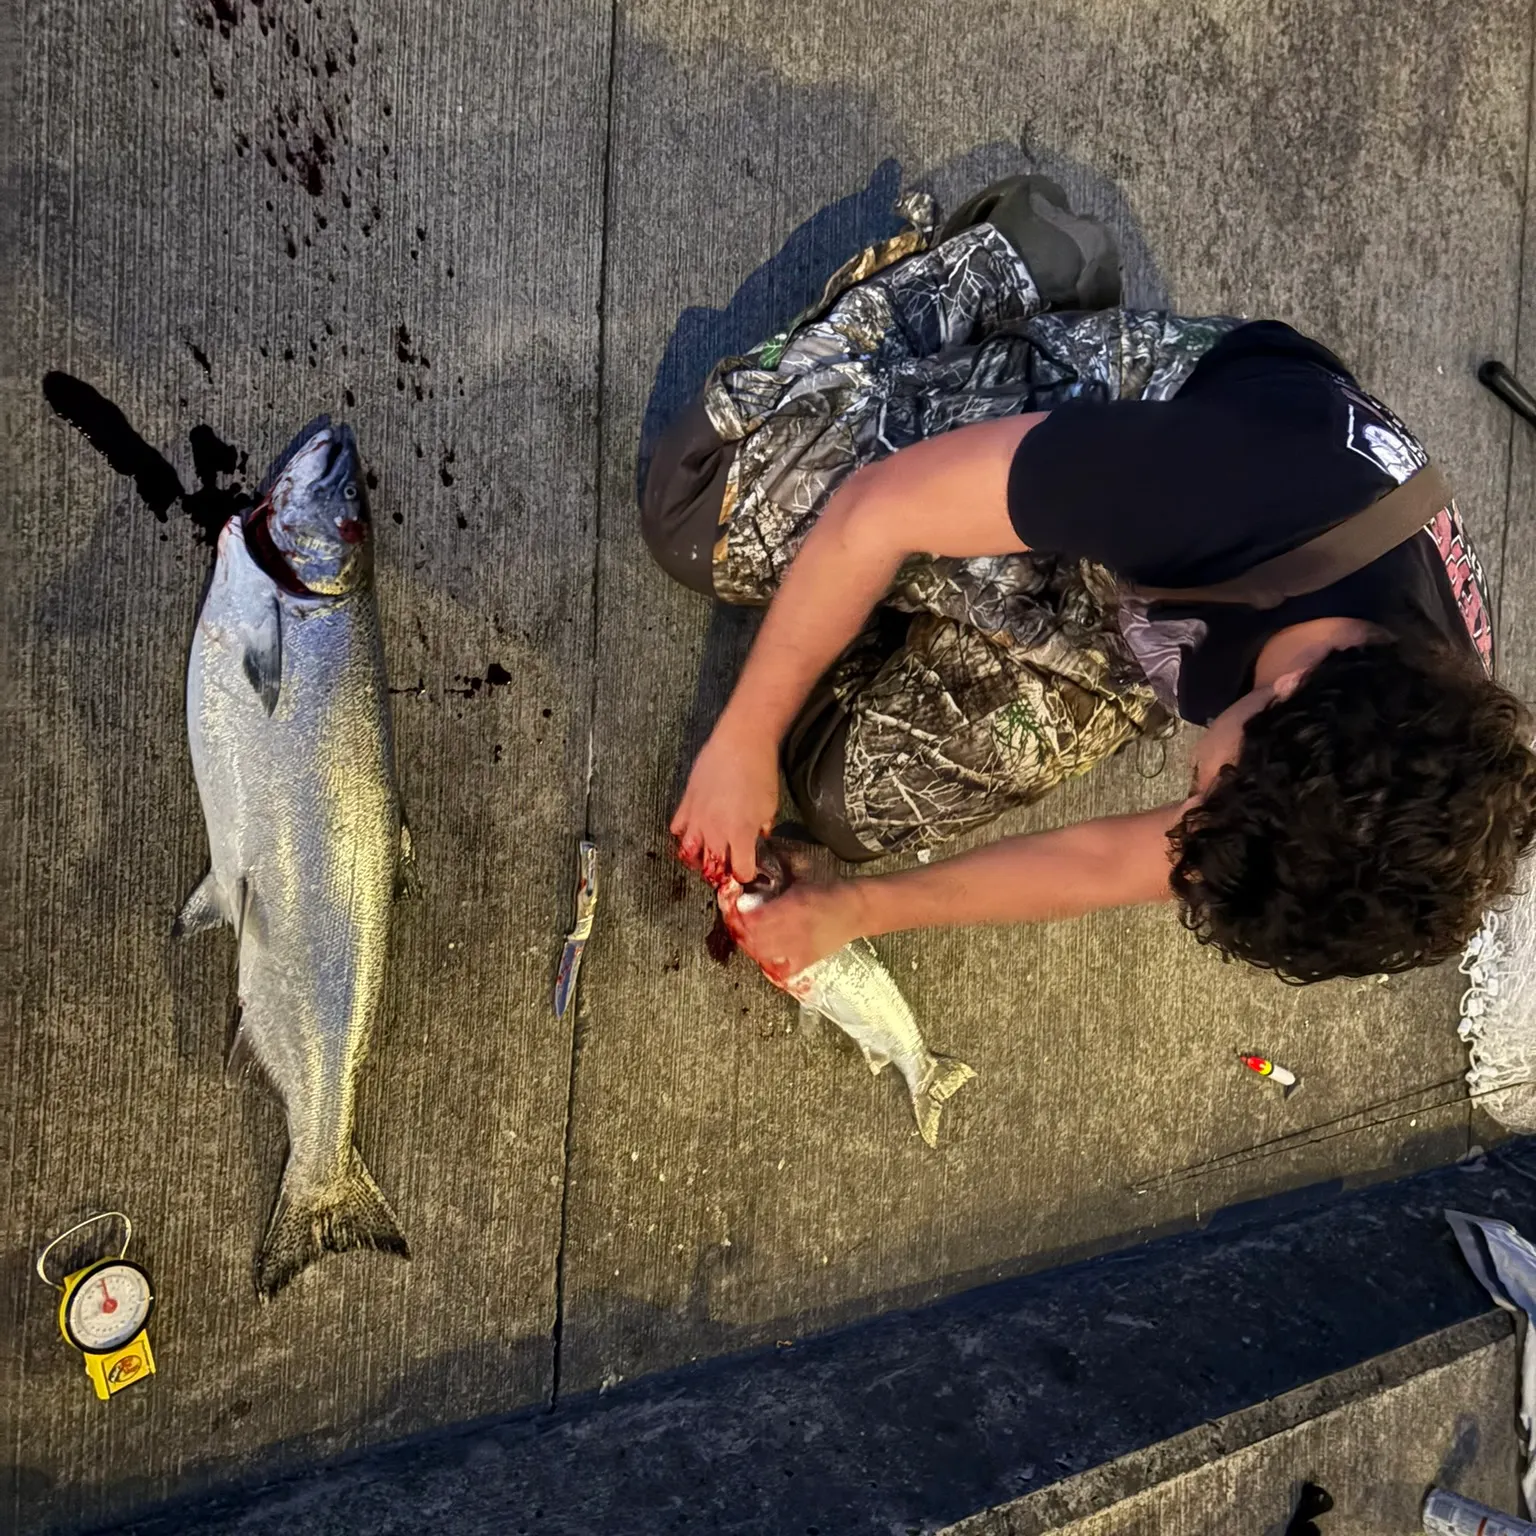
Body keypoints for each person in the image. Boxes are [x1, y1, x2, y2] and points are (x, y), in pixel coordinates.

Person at [643, 176, 1536, 985]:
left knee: (854, 806)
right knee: (704, 513)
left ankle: (901, 583)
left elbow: (1122, 863)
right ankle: (1018, 267)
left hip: (1162, 607)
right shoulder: (1239, 490)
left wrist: (854, 912)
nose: (1185, 796)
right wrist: (743, 738)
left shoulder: (1359, 790)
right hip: (1143, 427)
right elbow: (878, 508)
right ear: (1289, 693)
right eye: (1200, 789)